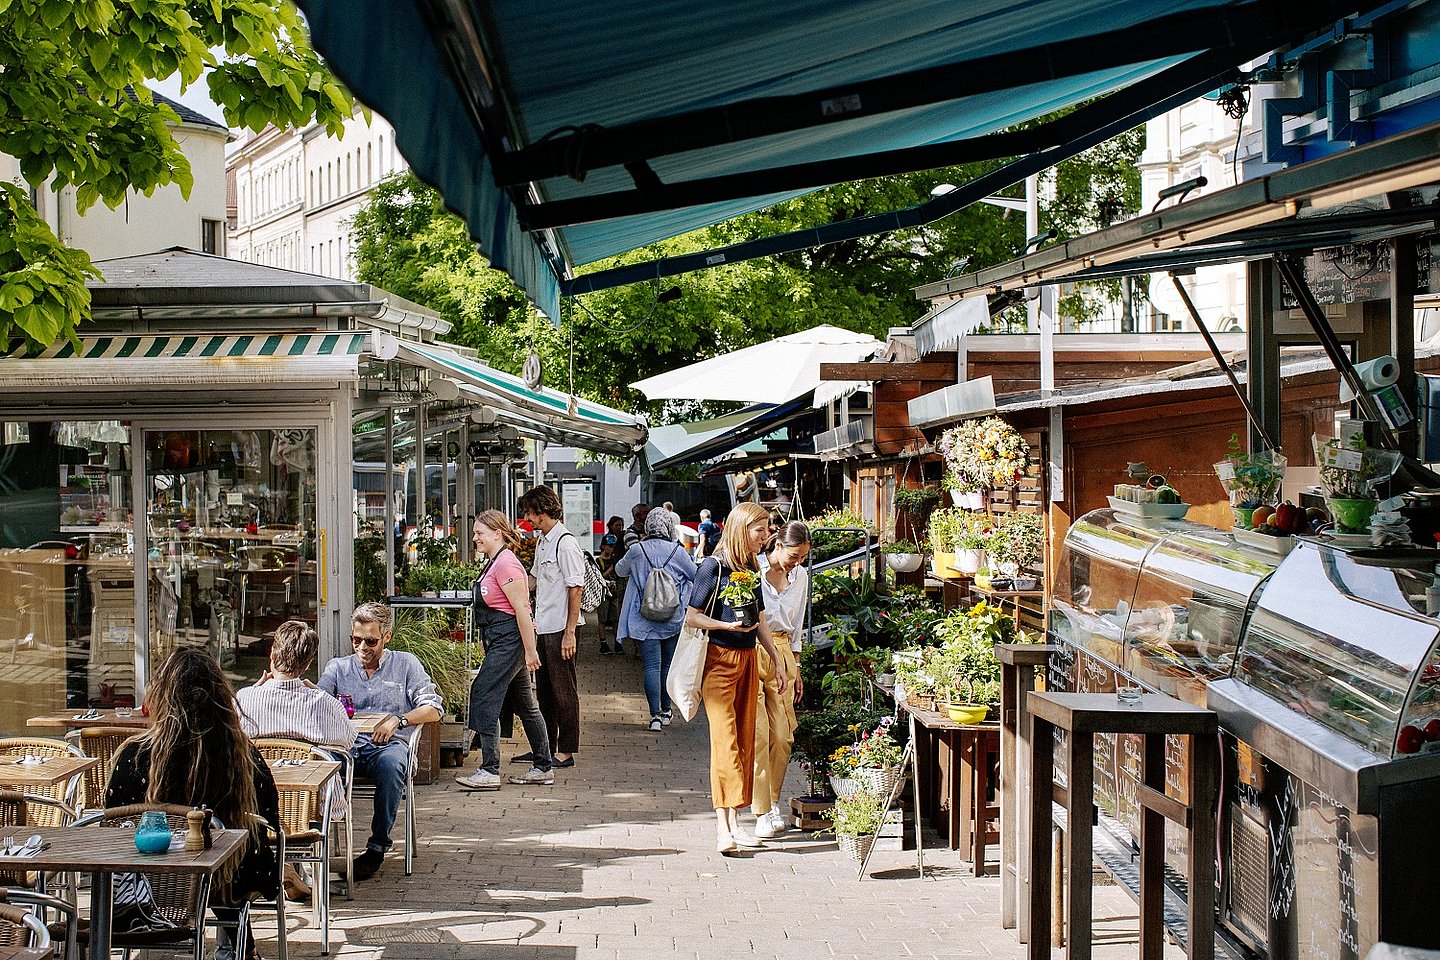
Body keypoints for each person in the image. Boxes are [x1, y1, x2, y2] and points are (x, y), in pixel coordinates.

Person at [107, 647, 280, 960]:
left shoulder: (133, 756)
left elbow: (113, 821)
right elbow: (269, 817)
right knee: (237, 848)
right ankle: (237, 946)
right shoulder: (241, 756)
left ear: (162, 695)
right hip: (227, 879)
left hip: (150, 876)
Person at [685, 502, 788, 854]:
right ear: (741, 530)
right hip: (719, 661)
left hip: (748, 660)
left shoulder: (750, 567)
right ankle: (722, 828)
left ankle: (736, 823)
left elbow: (758, 615)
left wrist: (775, 657)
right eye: (760, 530)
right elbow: (692, 617)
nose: (767, 536)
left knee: (744, 741)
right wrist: (724, 625)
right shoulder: (713, 567)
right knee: (726, 741)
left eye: (768, 529)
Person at [319, 602, 443, 880]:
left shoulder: (405, 664)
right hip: (346, 746)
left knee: (392, 765)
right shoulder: (338, 668)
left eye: (371, 640)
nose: (362, 646)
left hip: (387, 746)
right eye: (356, 639)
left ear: (386, 637)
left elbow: (433, 709)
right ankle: (317, 842)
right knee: (319, 765)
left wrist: (399, 720)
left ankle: (376, 848)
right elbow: (318, 702)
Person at [236, 619, 356, 902]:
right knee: (321, 782)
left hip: (255, 798)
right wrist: (317, 693)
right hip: (308, 801)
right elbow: (349, 740)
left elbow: (233, 736)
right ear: (307, 663)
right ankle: (294, 868)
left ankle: (280, 867)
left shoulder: (245, 699)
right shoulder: (322, 703)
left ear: (273, 655)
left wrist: (252, 691)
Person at [456, 510, 554, 790]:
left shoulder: (506, 565)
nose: (475, 537)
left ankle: (489, 769)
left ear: (497, 533)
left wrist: (530, 650)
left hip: (510, 641)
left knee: (483, 692)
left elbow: (523, 609)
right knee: (525, 704)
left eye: (479, 533)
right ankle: (543, 766)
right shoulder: (493, 562)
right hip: (501, 640)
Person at [751, 521, 811, 838]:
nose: (797, 563)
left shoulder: (800, 576)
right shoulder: (754, 571)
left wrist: (796, 665)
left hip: (783, 651)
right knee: (760, 734)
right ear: (778, 546)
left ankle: (772, 799)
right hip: (754, 650)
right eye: (794, 556)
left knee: (783, 734)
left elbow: (797, 622)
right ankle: (763, 810)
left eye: (802, 557)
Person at [616, 507, 699, 731]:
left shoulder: (636, 550)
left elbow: (620, 570)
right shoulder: (678, 552)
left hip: (644, 617)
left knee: (651, 666)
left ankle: (654, 716)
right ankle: (666, 710)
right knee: (668, 666)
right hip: (672, 617)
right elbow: (695, 575)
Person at [518, 485, 583, 768]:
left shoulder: (565, 543)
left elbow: (575, 589)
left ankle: (566, 751)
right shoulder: (544, 540)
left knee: (563, 691)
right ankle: (545, 747)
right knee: (544, 691)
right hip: (544, 626)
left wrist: (569, 633)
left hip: (560, 628)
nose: (527, 519)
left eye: (529, 514)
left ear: (541, 511)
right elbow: (534, 580)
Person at [597, 515, 625, 656]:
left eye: (613, 546)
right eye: (609, 546)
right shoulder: (599, 561)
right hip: (603, 593)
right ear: (603, 546)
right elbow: (599, 577)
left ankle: (617, 642)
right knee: (602, 618)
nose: (611, 548)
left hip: (614, 592)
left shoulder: (616, 558)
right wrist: (611, 568)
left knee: (615, 617)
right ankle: (603, 643)